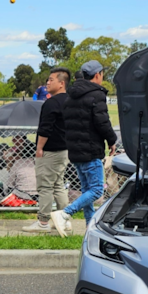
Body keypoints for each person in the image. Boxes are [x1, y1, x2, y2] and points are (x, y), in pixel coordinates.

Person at [51, 60, 118, 237]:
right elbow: (102, 122)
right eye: (102, 74)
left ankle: (89, 230)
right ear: (97, 75)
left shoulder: (71, 95)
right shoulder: (96, 95)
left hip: (75, 150)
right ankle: (65, 214)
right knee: (96, 190)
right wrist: (112, 140)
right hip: (90, 149)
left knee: (87, 190)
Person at [23, 68, 71, 234]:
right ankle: (65, 220)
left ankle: (43, 221)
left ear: (61, 83)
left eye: (51, 80)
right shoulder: (71, 101)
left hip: (50, 150)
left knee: (45, 186)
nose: (47, 83)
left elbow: (46, 128)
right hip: (65, 149)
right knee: (58, 185)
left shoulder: (51, 103)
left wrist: (39, 148)